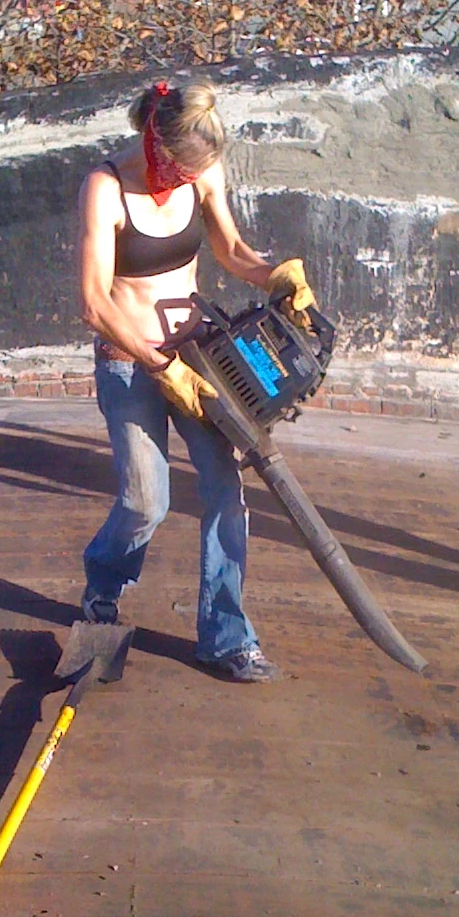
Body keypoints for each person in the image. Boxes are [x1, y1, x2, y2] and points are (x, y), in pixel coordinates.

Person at [77, 79, 316, 684]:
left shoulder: (201, 170)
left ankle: (227, 638)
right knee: (145, 501)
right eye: (181, 170)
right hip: (130, 361)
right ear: (156, 144)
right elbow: (94, 303)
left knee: (226, 493)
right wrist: (158, 365)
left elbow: (231, 248)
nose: (191, 180)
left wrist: (277, 277)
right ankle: (104, 584)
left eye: (198, 172)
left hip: (199, 359)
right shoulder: (106, 187)